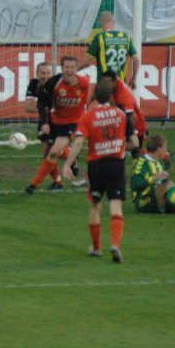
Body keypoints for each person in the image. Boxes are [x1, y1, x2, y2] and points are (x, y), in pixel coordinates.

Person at [62, 80, 136, 263]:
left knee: (95, 205)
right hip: (116, 164)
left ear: (95, 97)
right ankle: (116, 245)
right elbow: (135, 142)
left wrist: (67, 165)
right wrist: (118, 145)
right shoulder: (121, 115)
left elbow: (78, 142)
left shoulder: (88, 117)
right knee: (115, 204)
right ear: (111, 96)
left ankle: (96, 247)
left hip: (96, 165)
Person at [26, 55, 91, 195]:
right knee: (48, 152)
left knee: (54, 152)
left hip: (72, 124)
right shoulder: (54, 82)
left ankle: (33, 185)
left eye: (73, 67)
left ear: (76, 68)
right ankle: (72, 161)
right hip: (54, 122)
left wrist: (86, 120)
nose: (70, 70)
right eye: (67, 67)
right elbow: (42, 101)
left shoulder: (84, 83)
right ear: (62, 68)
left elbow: (87, 103)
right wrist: (44, 122)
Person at [25, 61, 67, 190]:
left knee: (55, 152)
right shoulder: (34, 84)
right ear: (37, 74)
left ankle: (71, 156)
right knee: (46, 153)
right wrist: (44, 110)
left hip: (58, 122)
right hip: (44, 121)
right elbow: (27, 107)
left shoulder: (58, 85)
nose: (46, 76)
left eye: (48, 73)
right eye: (43, 73)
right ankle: (58, 182)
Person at [82, 11, 140, 89]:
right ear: (114, 22)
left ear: (100, 23)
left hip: (104, 84)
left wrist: (74, 71)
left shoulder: (100, 37)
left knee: (98, 100)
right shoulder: (126, 37)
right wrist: (133, 79)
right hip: (120, 84)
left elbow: (86, 61)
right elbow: (136, 59)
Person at [100, 70, 147, 157]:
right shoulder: (113, 87)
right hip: (126, 123)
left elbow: (132, 117)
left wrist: (126, 132)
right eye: (104, 82)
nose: (105, 84)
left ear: (114, 81)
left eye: (107, 82)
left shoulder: (124, 95)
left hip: (136, 127)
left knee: (137, 154)